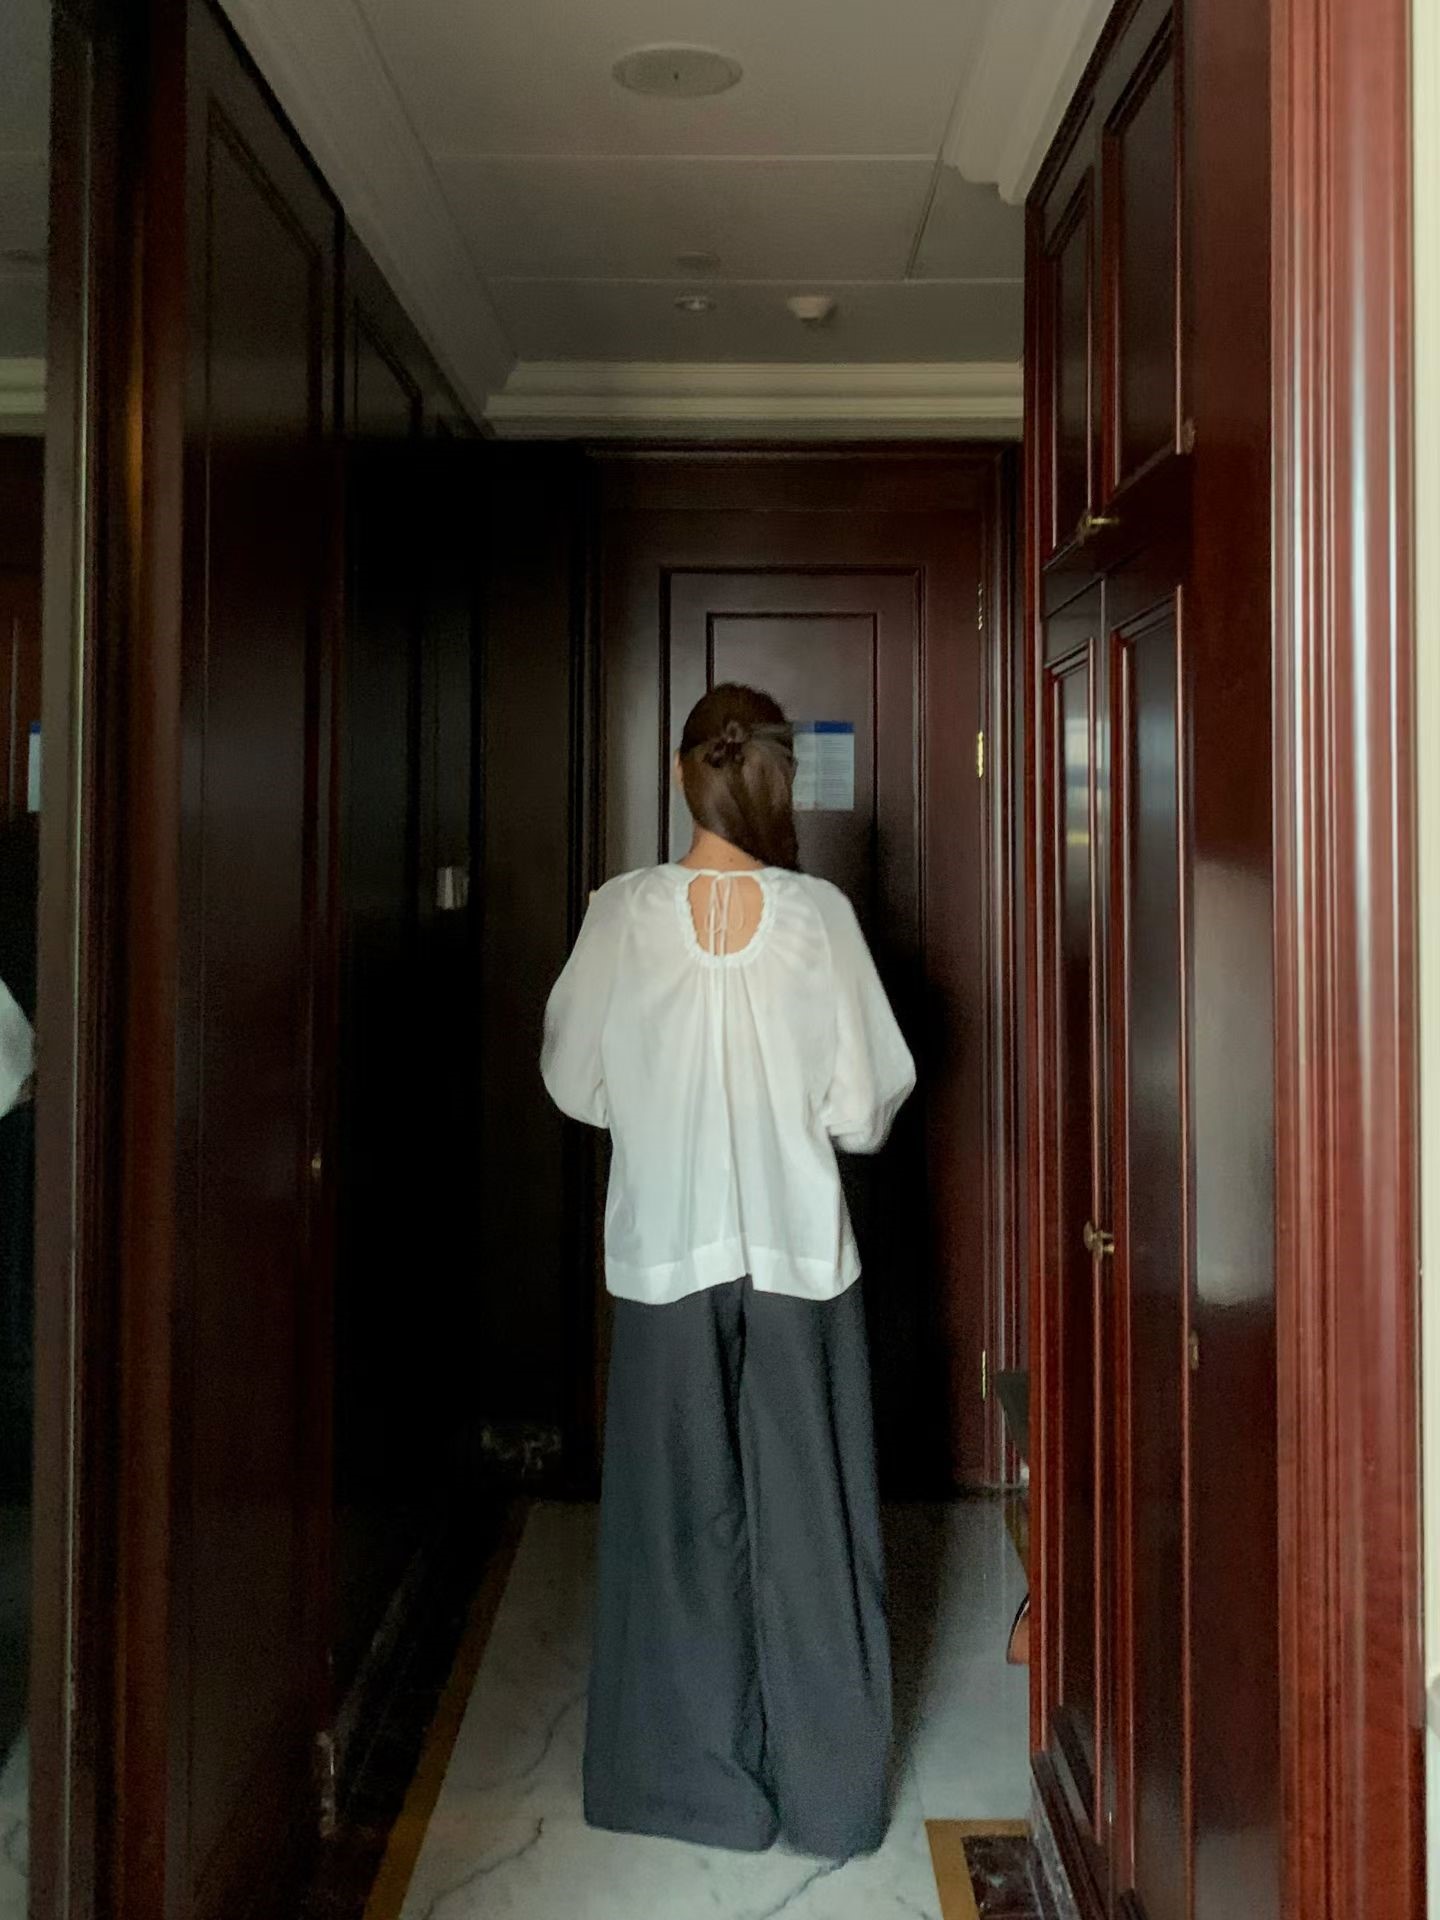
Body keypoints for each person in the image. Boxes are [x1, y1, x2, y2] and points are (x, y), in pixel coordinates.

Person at [541, 682, 916, 1861]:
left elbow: (573, 1082)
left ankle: (687, 1788)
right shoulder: (820, 917)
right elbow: (864, 1107)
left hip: (665, 1255)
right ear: (774, 778)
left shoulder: (619, 914)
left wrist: (664, 1111)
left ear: (681, 772)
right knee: (813, 1524)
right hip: (798, 1258)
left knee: (672, 1526)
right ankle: (830, 1799)